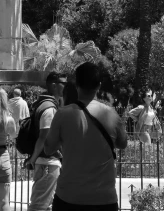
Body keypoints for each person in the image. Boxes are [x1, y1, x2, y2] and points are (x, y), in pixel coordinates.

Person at [46, 62, 128, 211]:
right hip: (104, 198)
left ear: (76, 84)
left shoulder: (62, 114)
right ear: (99, 86)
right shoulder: (111, 114)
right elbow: (122, 143)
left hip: (69, 197)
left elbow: (48, 148)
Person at [26, 72, 68, 211]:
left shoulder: (46, 104)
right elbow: (44, 137)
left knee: (47, 206)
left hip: (47, 163)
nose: (66, 87)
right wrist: (32, 158)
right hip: (47, 163)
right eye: (64, 84)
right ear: (54, 85)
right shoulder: (49, 109)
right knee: (39, 206)